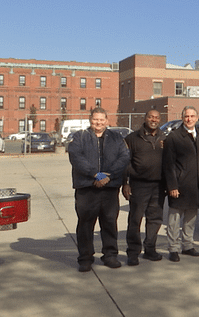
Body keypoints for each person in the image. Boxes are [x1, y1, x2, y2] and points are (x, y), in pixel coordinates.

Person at [68, 107, 131, 272]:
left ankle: (110, 256)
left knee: (109, 223)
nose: (99, 122)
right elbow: (76, 157)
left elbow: (124, 157)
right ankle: (85, 259)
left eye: (102, 119)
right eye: (96, 119)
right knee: (85, 225)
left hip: (109, 189)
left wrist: (106, 176)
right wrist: (95, 175)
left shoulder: (116, 138)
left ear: (107, 121)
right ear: (90, 119)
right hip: (86, 189)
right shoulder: (80, 137)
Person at [122, 109, 167, 265]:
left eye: (156, 117)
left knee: (155, 219)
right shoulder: (132, 138)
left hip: (159, 186)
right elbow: (124, 163)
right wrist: (125, 183)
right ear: (145, 118)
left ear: (159, 120)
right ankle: (133, 253)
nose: (153, 120)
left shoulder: (164, 138)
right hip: (138, 185)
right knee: (135, 219)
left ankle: (150, 249)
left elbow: (170, 163)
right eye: (150, 117)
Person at [162, 106, 199, 262]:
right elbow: (168, 165)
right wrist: (172, 186)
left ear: (197, 118)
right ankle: (173, 248)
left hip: (195, 186)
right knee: (174, 219)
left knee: (190, 218)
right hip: (179, 186)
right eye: (186, 116)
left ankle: (187, 245)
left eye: (192, 116)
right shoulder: (173, 137)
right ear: (182, 118)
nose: (189, 119)